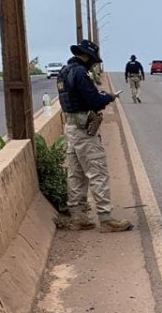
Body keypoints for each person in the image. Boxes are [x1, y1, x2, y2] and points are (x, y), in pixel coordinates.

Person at [57, 39, 133, 232]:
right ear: (86, 56)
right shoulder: (81, 73)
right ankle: (106, 219)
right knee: (97, 171)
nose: (93, 63)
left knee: (76, 174)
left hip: (71, 128)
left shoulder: (64, 72)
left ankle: (78, 217)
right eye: (92, 59)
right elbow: (93, 100)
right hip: (84, 130)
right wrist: (108, 97)